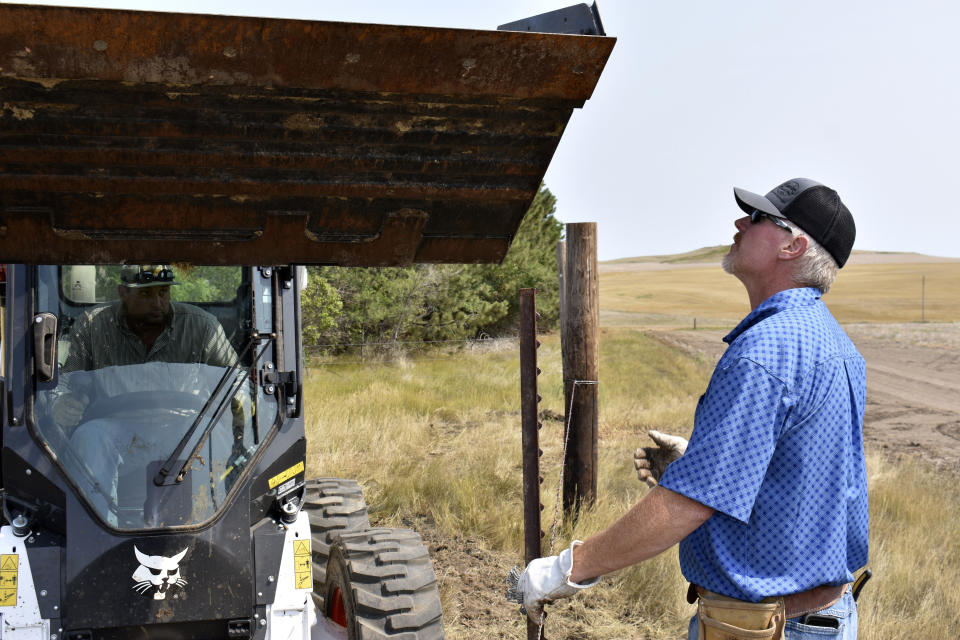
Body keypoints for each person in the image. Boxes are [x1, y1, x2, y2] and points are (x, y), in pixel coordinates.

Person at [516, 178, 867, 640]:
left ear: (793, 245)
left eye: (759, 217)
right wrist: (700, 462)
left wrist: (567, 568)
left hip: (768, 627)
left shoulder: (764, 351)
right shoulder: (834, 343)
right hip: (821, 618)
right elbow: (802, 485)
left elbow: (690, 504)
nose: (741, 222)